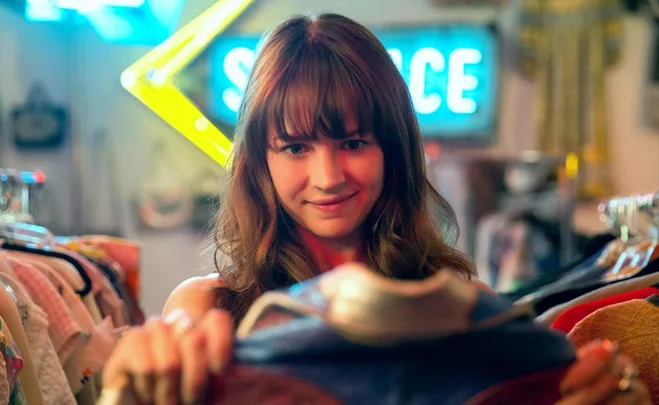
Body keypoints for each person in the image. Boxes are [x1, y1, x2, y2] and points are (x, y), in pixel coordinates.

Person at [103, 13, 652, 405]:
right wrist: (130, 387)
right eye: (296, 147)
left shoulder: (464, 308)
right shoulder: (209, 311)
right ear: (259, 161)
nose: (328, 177)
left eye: (353, 143)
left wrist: (610, 392)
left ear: (393, 150)